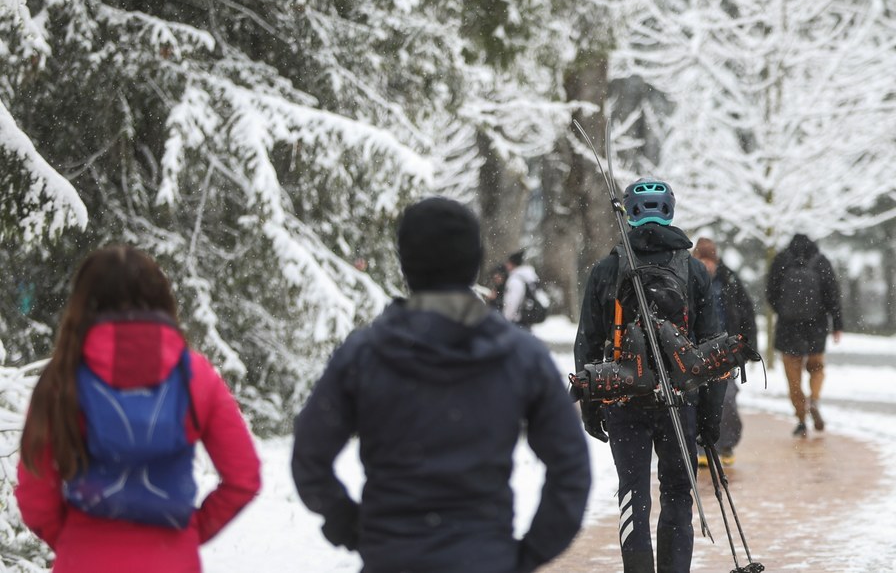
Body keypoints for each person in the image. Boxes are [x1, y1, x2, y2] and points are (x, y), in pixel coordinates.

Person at [292, 197, 590, 573]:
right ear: (475, 262)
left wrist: (353, 529)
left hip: (392, 557)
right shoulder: (521, 356)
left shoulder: (363, 354)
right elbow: (571, 468)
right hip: (484, 556)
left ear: (405, 262)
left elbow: (309, 458)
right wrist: (525, 555)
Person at [16, 245, 261, 572]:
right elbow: (243, 478)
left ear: (82, 304)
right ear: (162, 298)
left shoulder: (62, 379)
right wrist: (190, 531)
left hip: (84, 558)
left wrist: (73, 538)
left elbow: (36, 492)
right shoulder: (196, 377)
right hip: (172, 560)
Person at [574, 177, 725, 573]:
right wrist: (710, 418)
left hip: (624, 397)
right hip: (680, 399)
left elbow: (588, 343)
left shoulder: (608, 268)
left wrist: (592, 407)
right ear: (670, 210)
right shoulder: (693, 270)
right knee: (678, 494)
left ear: (629, 212)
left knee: (633, 496)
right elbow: (712, 351)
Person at [766, 233, 843, 438]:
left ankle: (801, 418)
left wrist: (783, 311)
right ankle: (815, 399)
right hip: (815, 326)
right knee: (817, 368)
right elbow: (832, 294)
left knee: (793, 376)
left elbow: (770, 292)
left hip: (788, 326)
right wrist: (836, 323)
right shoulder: (821, 261)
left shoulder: (782, 260)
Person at [691, 237, 759, 467]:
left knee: (727, 398)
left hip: (725, 350)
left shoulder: (729, 280)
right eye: (702, 260)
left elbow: (746, 313)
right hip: (696, 350)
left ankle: (726, 443)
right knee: (698, 399)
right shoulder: (686, 279)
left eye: (709, 260)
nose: (707, 265)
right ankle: (701, 447)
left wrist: (749, 347)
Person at [502, 250, 543, 329]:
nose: (506, 265)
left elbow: (512, 303)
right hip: (527, 320)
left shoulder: (515, 280)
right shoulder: (529, 277)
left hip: (517, 321)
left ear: (512, 264)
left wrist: (506, 320)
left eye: (508, 262)